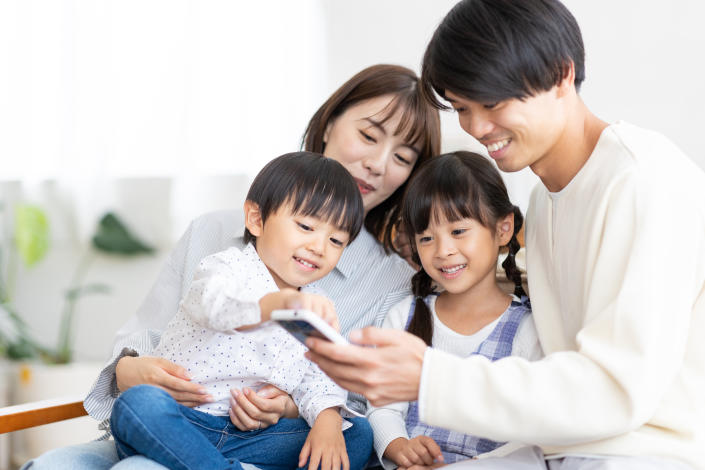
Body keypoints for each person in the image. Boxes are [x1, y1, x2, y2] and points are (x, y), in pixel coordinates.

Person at [306, 1, 705, 469]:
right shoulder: (543, 201)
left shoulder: (643, 181)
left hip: (637, 454)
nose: (476, 127)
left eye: (491, 103)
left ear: (560, 75)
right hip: (557, 448)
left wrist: (430, 378)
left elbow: (616, 390)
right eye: (461, 108)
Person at [22, 64, 440, 470]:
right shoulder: (214, 234)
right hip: (174, 424)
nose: (379, 164)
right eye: (369, 135)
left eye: (402, 158)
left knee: (355, 433)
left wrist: (293, 407)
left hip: (268, 443)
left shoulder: (391, 280)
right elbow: (152, 331)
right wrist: (130, 370)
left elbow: (369, 403)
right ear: (329, 124)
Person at [110, 152, 372, 470]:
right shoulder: (224, 269)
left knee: (356, 434)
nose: (319, 247)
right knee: (138, 405)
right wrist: (274, 305)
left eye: (336, 240)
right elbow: (214, 307)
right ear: (256, 219)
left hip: (255, 438)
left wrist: (327, 421)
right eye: (305, 226)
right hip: (186, 422)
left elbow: (319, 375)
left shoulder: (316, 303)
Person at [367, 152, 542, 469]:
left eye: (459, 231)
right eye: (427, 237)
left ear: (503, 229)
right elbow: (382, 405)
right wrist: (398, 445)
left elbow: (531, 431)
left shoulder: (527, 329)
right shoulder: (404, 316)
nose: (443, 250)